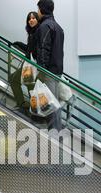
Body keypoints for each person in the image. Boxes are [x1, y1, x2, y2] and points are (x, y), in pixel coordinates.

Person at [34, 0, 64, 130]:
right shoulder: (58, 27)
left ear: (41, 9)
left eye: (38, 9)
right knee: (54, 104)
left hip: (48, 72)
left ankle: (55, 138)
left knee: (51, 107)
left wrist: (41, 69)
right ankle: (56, 135)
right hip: (56, 71)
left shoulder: (45, 26)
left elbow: (43, 49)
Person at [9, 11, 40, 114]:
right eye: (29, 19)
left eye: (33, 18)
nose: (31, 20)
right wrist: (19, 44)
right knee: (16, 80)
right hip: (28, 64)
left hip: (31, 65)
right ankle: (24, 105)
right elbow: (29, 48)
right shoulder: (32, 33)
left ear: (37, 20)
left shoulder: (38, 32)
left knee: (30, 86)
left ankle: (32, 110)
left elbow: (36, 50)